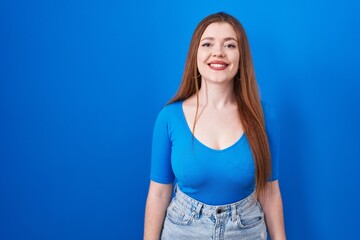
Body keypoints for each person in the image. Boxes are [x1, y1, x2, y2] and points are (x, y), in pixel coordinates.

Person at [144, 12, 286, 240]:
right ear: (196, 54)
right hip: (183, 230)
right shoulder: (169, 118)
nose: (218, 52)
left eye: (230, 45)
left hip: (247, 230)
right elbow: (159, 193)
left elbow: (269, 191)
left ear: (241, 57)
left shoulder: (265, 117)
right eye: (207, 43)